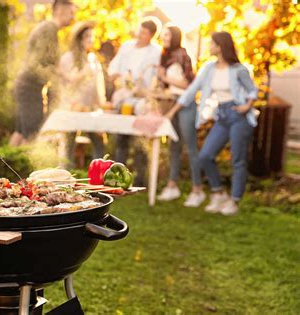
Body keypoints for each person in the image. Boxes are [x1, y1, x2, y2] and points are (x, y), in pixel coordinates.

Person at [165, 31, 258, 215]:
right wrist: (172, 111)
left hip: (238, 117)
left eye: (211, 43)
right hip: (222, 116)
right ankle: (218, 193)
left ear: (220, 46)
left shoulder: (239, 69)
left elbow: (252, 90)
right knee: (205, 156)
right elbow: (191, 91)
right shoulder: (209, 68)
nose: (209, 46)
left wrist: (247, 106)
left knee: (237, 160)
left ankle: (234, 200)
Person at [11, 0, 76, 146]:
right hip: (30, 87)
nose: (73, 17)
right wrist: (64, 77)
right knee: (32, 135)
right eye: (71, 13)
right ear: (60, 10)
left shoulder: (48, 29)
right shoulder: (49, 29)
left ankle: (5, 166)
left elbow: (46, 61)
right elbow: (39, 62)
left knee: (21, 132)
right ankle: (24, 167)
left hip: (26, 86)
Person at [107, 17, 162, 186]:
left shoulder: (156, 52)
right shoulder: (127, 47)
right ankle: (117, 178)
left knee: (140, 139)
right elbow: (114, 69)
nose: (140, 35)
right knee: (121, 138)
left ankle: (139, 180)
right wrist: (119, 77)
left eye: (145, 33)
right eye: (140, 30)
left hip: (142, 100)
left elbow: (157, 77)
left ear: (152, 36)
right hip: (124, 97)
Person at [156, 25, 205, 207]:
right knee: (174, 146)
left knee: (190, 147)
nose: (164, 37)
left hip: (186, 105)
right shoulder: (165, 56)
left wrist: (165, 78)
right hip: (171, 104)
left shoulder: (183, 56)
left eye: (167, 34)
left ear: (175, 36)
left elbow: (188, 85)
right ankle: (172, 185)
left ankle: (197, 190)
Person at [59, 21, 106, 167]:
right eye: (87, 37)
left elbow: (98, 86)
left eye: (92, 37)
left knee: (99, 142)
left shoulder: (93, 58)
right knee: (69, 144)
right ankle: (65, 177)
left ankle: (98, 176)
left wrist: (101, 105)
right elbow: (67, 81)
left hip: (90, 109)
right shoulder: (68, 57)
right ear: (78, 39)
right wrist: (83, 73)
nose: (91, 40)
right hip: (71, 108)